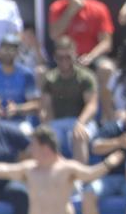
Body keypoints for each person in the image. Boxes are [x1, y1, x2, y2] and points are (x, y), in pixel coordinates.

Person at [47, 0, 116, 114]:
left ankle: (108, 115)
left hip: (89, 57)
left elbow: (106, 42)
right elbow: (54, 34)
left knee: (107, 68)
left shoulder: (98, 8)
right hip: (64, 58)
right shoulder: (56, 8)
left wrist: (91, 56)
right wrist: (70, 12)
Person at [38, 35, 98, 164]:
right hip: (58, 122)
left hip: (81, 121)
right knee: (47, 139)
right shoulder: (50, 79)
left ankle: (80, 178)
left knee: (78, 135)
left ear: (74, 55)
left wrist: (80, 123)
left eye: (68, 57)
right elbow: (46, 107)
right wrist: (46, 126)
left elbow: (92, 105)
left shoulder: (85, 77)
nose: (64, 61)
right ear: (55, 57)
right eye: (60, 57)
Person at [0, 34, 39, 132]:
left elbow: (35, 103)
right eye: (5, 48)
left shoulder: (26, 74)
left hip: (20, 122)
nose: (8, 52)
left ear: (17, 52)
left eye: (12, 49)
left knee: (27, 132)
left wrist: (17, 108)